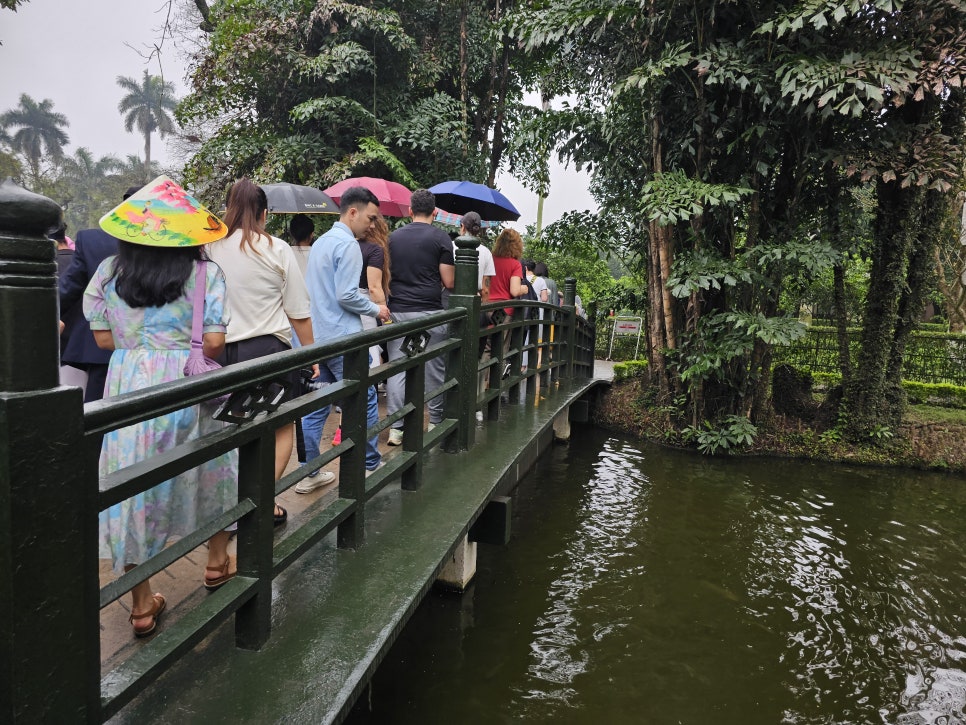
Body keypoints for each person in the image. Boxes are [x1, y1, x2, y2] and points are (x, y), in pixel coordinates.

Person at [83, 232, 237, 638]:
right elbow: (215, 343)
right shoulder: (205, 272)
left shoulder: (107, 273)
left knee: (131, 485)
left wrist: (141, 343)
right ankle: (217, 562)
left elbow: (102, 339)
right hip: (184, 384)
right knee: (211, 466)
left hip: (127, 386)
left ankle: (141, 604)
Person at [207, 178, 316, 524]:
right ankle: (259, 501)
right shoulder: (277, 248)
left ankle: (230, 507)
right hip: (269, 350)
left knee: (228, 428)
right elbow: (298, 311)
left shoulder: (208, 247)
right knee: (280, 424)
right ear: (265, 214)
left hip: (218, 352)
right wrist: (310, 355)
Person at [298, 186, 391, 492]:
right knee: (364, 400)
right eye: (370, 217)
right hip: (344, 340)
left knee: (316, 406)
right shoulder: (348, 245)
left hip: (319, 337)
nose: (373, 225)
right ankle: (369, 465)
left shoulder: (321, 243)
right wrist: (377, 309)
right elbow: (347, 295)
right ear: (353, 212)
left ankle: (309, 473)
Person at [384, 188, 455, 446]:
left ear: (410, 211)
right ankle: (435, 421)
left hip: (399, 312)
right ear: (435, 213)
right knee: (434, 367)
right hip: (430, 312)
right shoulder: (442, 238)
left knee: (398, 368)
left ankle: (396, 428)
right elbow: (448, 281)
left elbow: (385, 277)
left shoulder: (392, 238)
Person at [60, 186, 140, 401]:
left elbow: (68, 289)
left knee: (100, 409)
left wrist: (47, 316)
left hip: (102, 344)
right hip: (160, 349)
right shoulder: (170, 245)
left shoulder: (92, 240)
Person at [489, 228, 528, 376]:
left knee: (485, 348)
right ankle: (493, 386)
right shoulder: (515, 264)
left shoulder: (490, 259)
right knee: (500, 348)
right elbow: (514, 290)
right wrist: (523, 289)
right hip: (504, 312)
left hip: (486, 308)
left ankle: (481, 385)